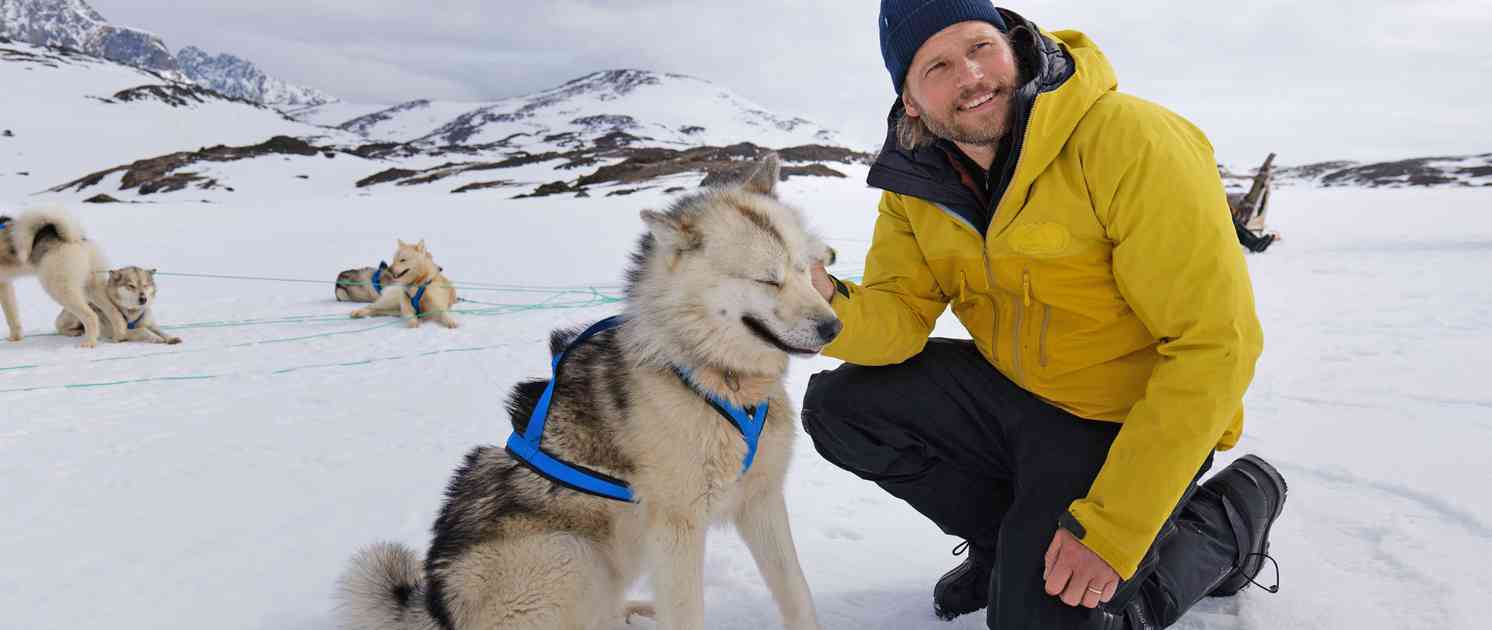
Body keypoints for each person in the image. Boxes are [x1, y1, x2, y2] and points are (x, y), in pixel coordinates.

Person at [800, 2, 1286, 628]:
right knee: (844, 410)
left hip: (1124, 424)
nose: (970, 76)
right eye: (938, 66)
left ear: (1015, 44)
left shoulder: (1131, 140)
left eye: (980, 47)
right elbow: (898, 318)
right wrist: (820, 303)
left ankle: (1229, 519)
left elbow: (1214, 345)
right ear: (911, 100)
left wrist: (1112, 532)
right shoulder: (915, 183)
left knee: (1051, 617)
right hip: (1018, 399)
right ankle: (1011, 544)